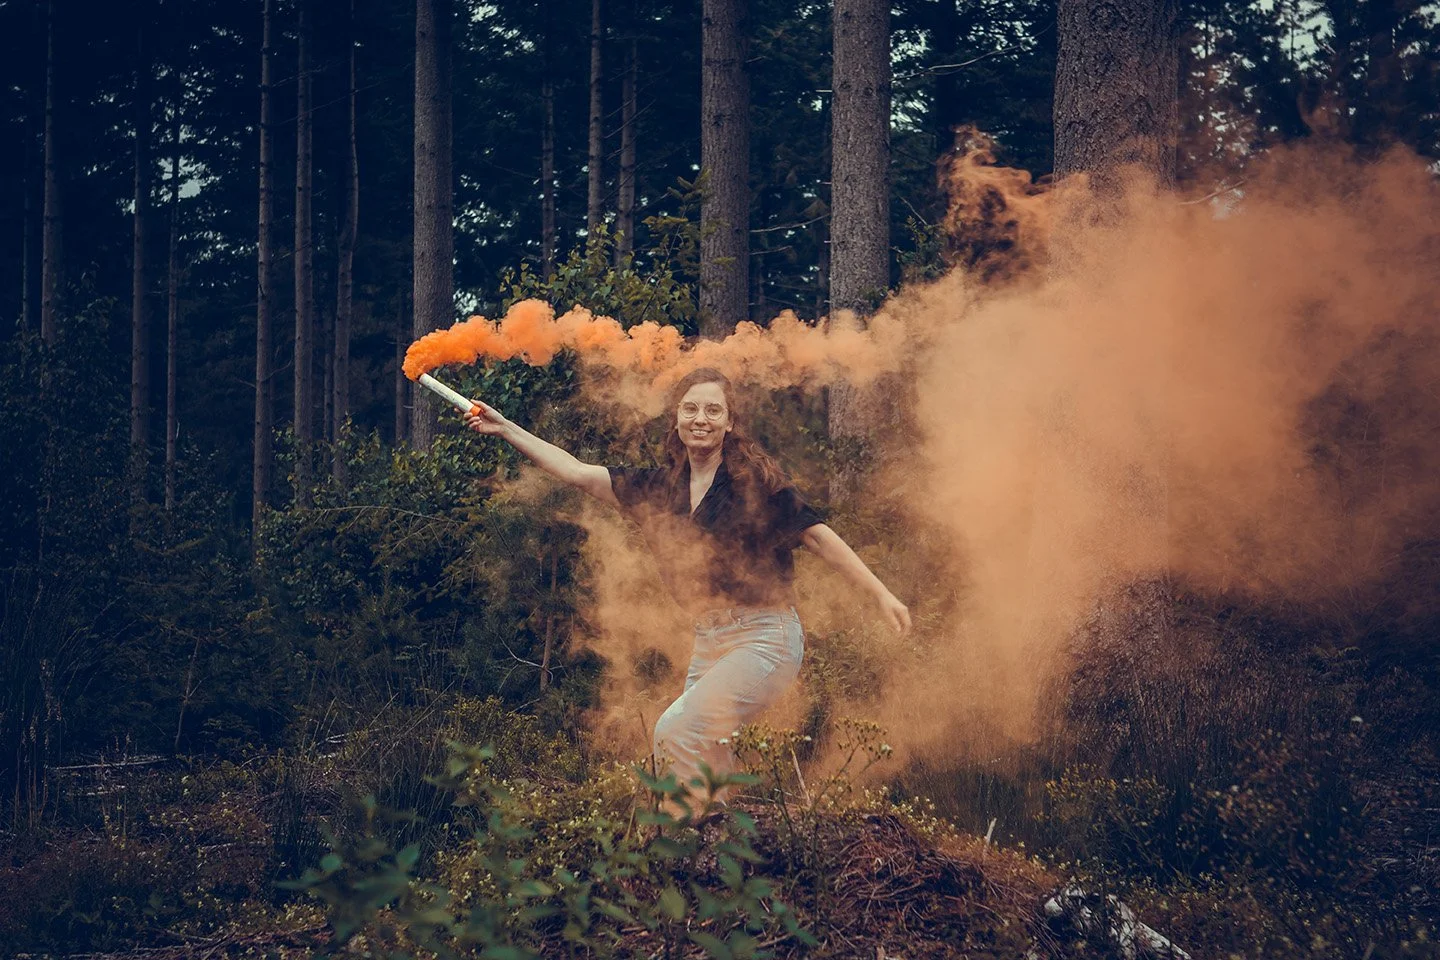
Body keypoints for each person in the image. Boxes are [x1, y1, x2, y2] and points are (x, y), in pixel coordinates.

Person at [463, 367, 910, 808]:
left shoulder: (754, 486)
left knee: (675, 730)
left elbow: (817, 536)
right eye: (691, 408)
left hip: (765, 638)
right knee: (703, 767)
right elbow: (578, 472)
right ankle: (712, 862)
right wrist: (505, 429)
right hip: (709, 641)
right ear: (676, 418)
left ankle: (686, 845)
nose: (701, 418)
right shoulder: (658, 488)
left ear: (729, 422)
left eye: (714, 410)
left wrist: (880, 593)